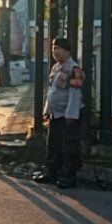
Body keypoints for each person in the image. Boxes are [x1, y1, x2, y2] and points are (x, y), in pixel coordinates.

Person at [43, 36, 85, 188]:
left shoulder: (75, 70)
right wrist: (47, 109)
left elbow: (75, 94)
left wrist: (70, 115)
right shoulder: (56, 68)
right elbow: (51, 91)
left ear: (68, 51)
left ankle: (69, 176)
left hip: (67, 116)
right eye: (54, 48)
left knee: (69, 147)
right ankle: (51, 172)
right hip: (55, 114)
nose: (55, 52)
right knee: (53, 145)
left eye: (59, 48)